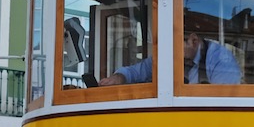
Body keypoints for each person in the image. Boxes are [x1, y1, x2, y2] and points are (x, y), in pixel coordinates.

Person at [98, 32, 242, 86]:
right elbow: (139, 71)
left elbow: (221, 99)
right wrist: (120, 77)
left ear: (193, 40)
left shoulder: (221, 60)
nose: (170, 51)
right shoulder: (171, 53)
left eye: (175, 45)